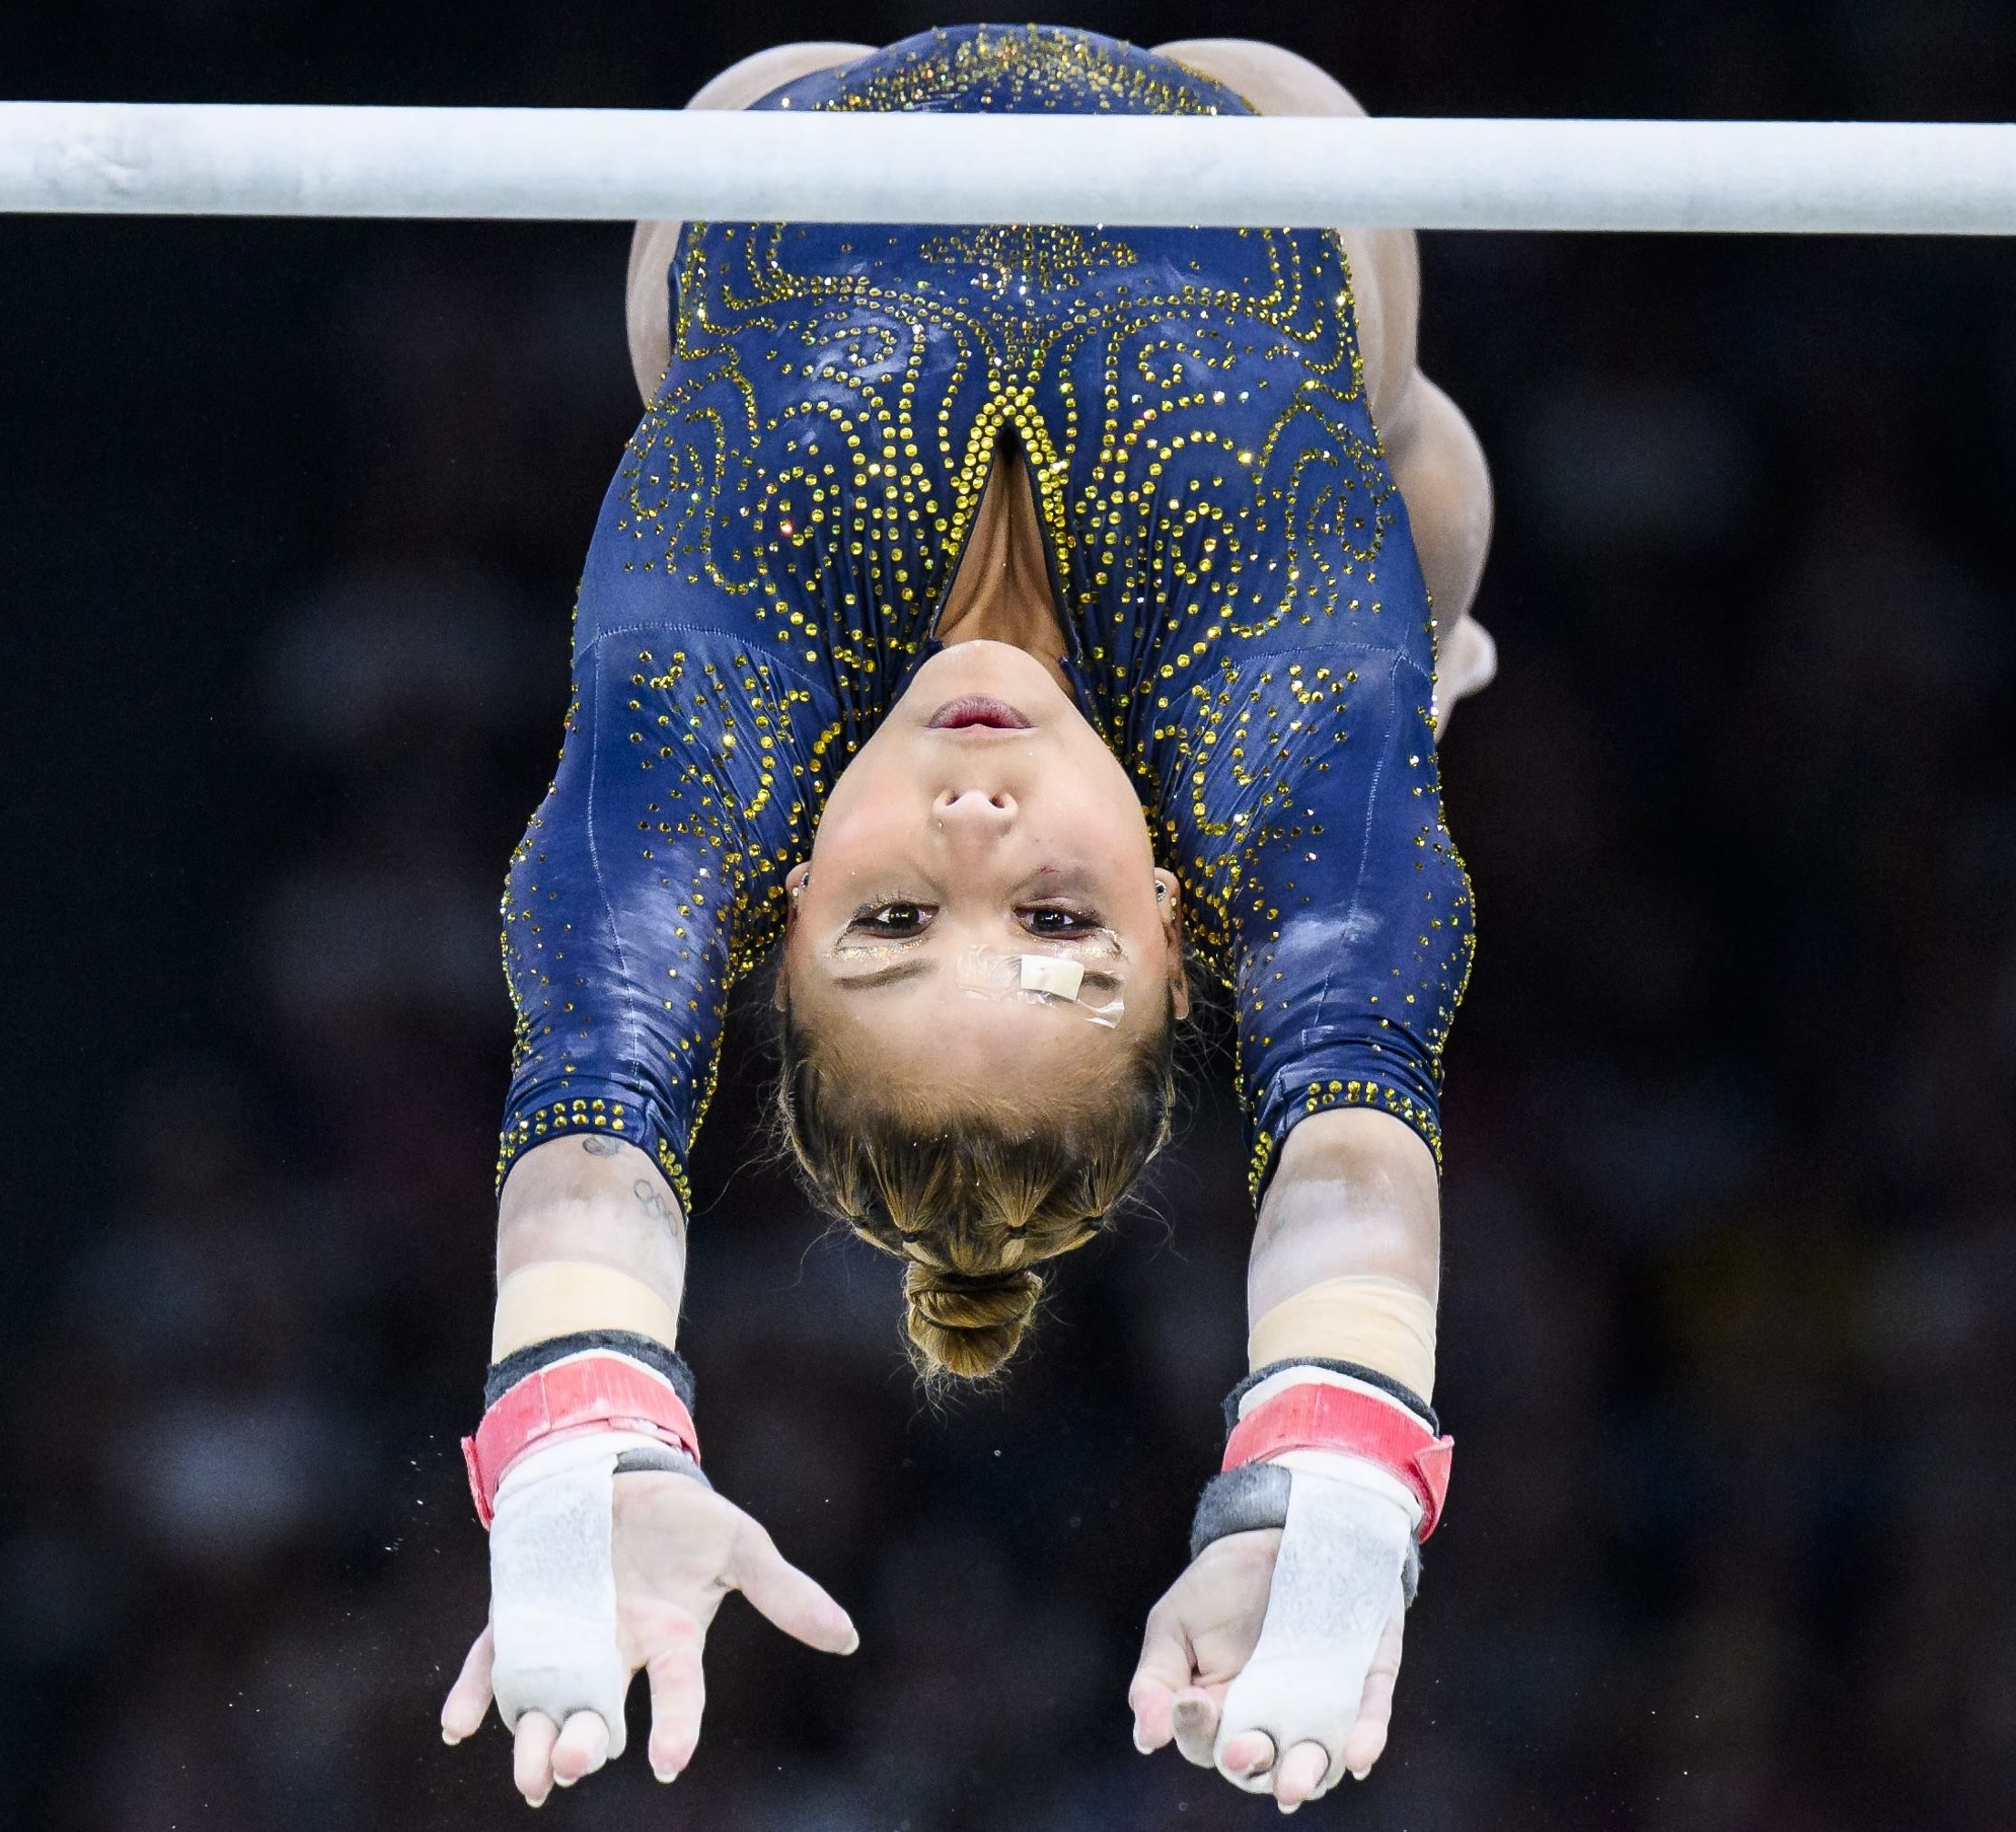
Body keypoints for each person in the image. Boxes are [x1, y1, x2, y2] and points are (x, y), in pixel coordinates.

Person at [430, 25, 1494, 1813]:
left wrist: (578, 1437)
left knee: (734, 169)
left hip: (796, 114)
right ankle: (1438, 644)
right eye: (1060, 913)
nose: (979, 821)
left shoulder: (727, 654)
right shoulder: (1258, 691)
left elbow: (600, 1069)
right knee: (1395, 537)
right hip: (1251, 134)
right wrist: (1330, 1493)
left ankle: (1426, 641)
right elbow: (1349, 1132)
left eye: (898, 912)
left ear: (778, 904)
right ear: (1176, 918)